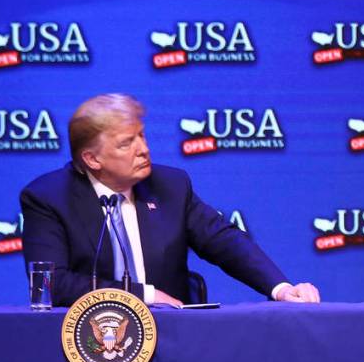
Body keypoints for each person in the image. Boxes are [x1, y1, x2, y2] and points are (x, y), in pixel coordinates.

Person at [20, 93, 320, 307]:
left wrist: (280, 288)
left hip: (172, 336)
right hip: (89, 342)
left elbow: (223, 241)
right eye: (127, 143)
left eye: (142, 135)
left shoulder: (171, 185)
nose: (144, 149)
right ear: (92, 159)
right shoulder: (48, 198)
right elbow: (51, 284)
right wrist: (143, 295)